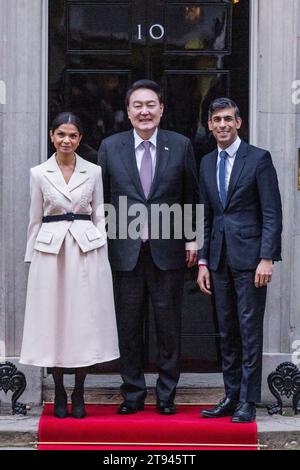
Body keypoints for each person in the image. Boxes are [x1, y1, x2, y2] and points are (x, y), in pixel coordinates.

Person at [98, 80, 198, 415]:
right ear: (128, 111)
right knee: (128, 328)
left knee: (168, 326)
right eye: (138, 105)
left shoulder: (180, 145)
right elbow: (102, 200)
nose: (145, 111)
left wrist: (191, 237)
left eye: (151, 104)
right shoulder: (110, 147)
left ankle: (167, 394)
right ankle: (133, 393)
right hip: (124, 253)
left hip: (167, 252)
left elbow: (190, 194)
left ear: (161, 109)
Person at [20, 112, 119, 418]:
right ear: (52, 136)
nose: (66, 140)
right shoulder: (39, 173)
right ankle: (60, 391)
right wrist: (31, 257)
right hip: (50, 254)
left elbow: (100, 216)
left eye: (72, 135)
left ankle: (79, 392)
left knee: (83, 323)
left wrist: (102, 256)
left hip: (86, 250)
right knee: (55, 321)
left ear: (80, 139)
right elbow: (34, 219)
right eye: (61, 134)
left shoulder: (93, 171)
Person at [197, 98, 282, 423]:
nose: (222, 125)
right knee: (227, 331)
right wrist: (203, 260)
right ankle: (231, 395)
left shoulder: (258, 159)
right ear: (209, 124)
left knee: (249, 330)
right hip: (218, 259)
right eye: (216, 119)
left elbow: (272, 213)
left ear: (239, 122)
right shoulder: (206, 162)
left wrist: (267, 257)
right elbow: (205, 214)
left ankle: (248, 400)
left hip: (250, 261)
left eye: (228, 119)